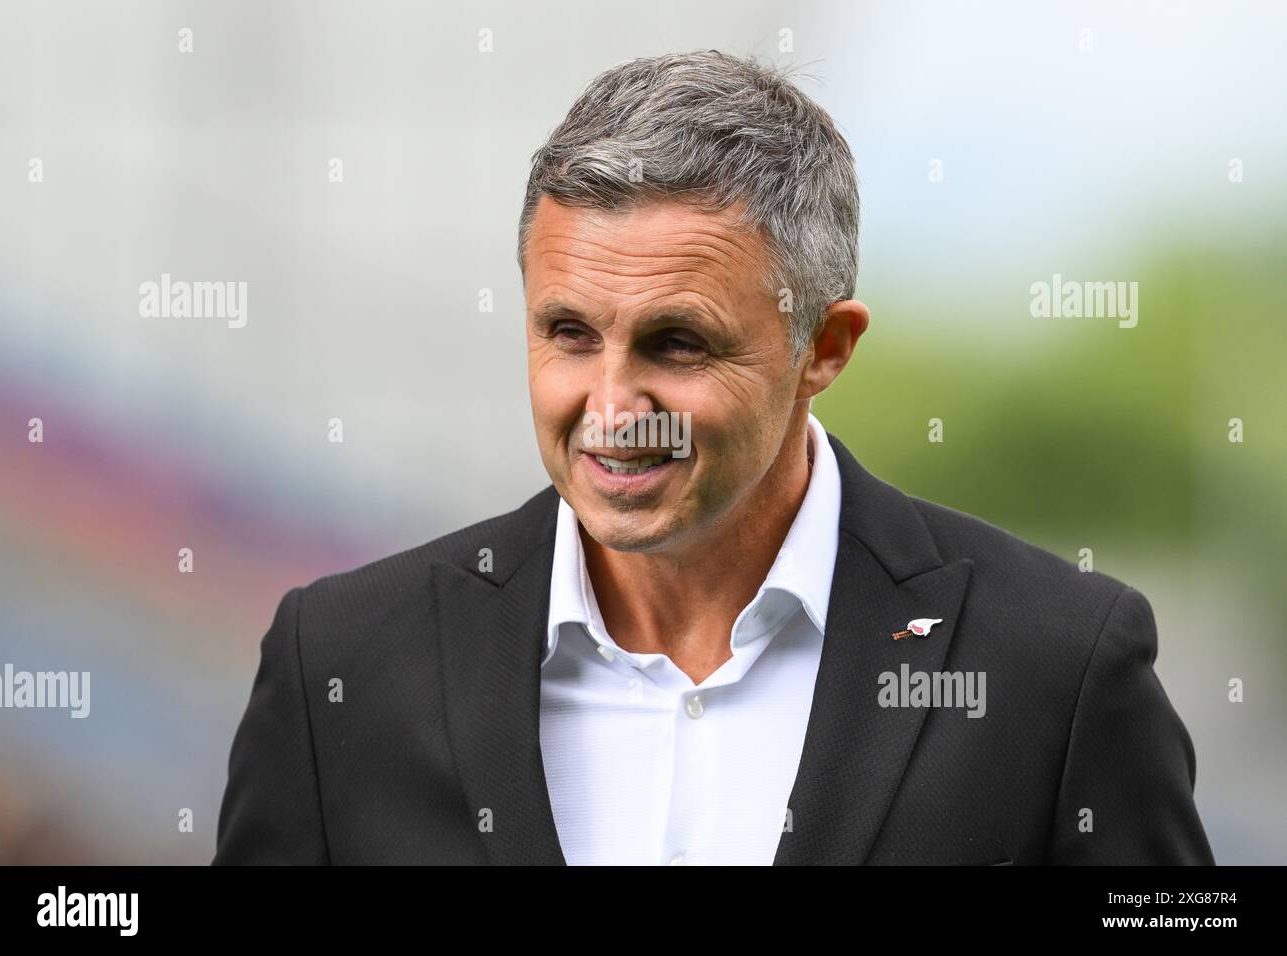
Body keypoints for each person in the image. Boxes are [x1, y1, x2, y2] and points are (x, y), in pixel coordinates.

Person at [213, 50, 1214, 865]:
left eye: (676, 343)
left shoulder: (1056, 665)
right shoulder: (338, 663)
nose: (611, 407)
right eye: (567, 331)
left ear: (823, 347)